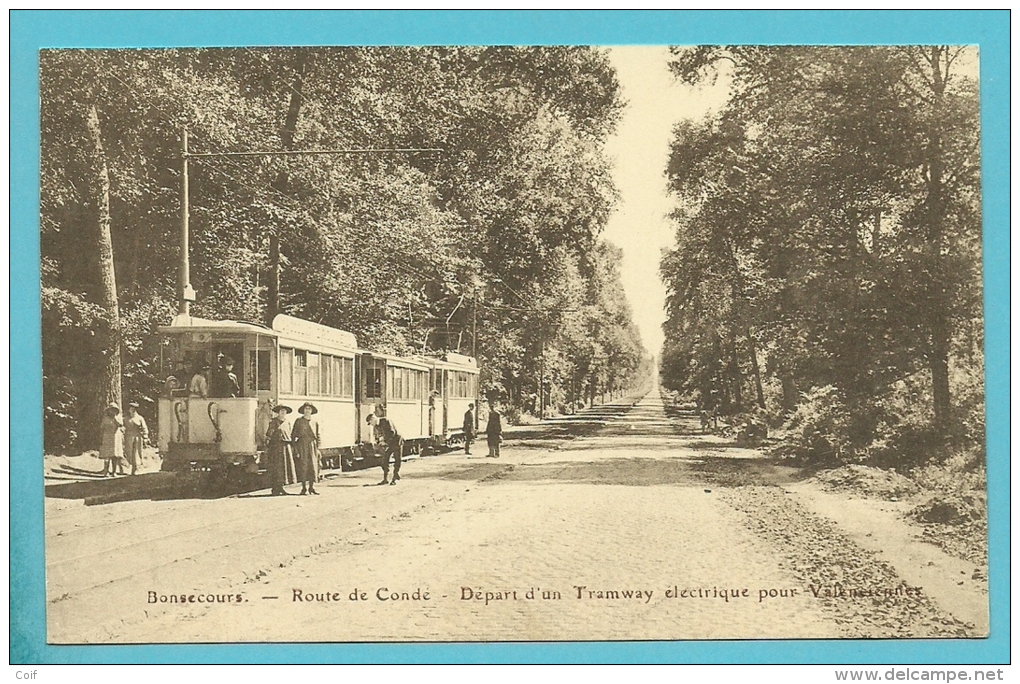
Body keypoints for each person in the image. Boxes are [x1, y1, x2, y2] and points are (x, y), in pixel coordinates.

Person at [366, 412, 403, 485]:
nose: (371, 424)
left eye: (370, 422)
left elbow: (392, 432)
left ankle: (395, 477)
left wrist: (384, 441)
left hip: (396, 441)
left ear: (373, 419)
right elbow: (377, 436)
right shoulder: (376, 426)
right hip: (388, 443)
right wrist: (378, 442)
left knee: (397, 459)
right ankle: (385, 479)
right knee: (384, 461)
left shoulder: (386, 421)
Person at [265, 404, 295, 496]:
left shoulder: (287, 422)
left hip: (286, 446)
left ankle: (281, 487)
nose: (283, 413)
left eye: (284, 411)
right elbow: (269, 434)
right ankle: (275, 489)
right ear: (278, 412)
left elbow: (290, 434)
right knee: (277, 468)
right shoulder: (274, 422)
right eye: (281, 411)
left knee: (285, 468)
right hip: (276, 447)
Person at [292, 402, 320, 495]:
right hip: (302, 445)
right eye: (306, 409)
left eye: (309, 409)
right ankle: (303, 488)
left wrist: (318, 448)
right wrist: (295, 449)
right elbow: (293, 435)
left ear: (312, 411)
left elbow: (318, 435)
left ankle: (311, 487)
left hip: (312, 445)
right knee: (303, 466)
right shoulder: (299, 421)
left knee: (313, 466)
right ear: (303, 410)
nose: (307, 410)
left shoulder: (315, 422)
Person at [99, 403, 125, 477]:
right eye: (111, 410)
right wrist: (101, 438)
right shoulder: (105, 418)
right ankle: (106, 471)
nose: (112, 412)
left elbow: (120, 424)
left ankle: (114, 472)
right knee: (107, 455)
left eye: (114, 410)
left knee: (115, 455)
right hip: (107, 437)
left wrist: (115, 418)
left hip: (116, 437)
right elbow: (102, 428)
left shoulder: (118, 417)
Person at [123, 402, 149, 476]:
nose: (132, 410)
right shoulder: (126, 418)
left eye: (134, 409)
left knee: (136, 452)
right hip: (128, 436)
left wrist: (145, 437)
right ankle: (128, 466)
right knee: (129, 452)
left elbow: (144, 428)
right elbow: (121, 426)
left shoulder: (140, 418)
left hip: (137, 436)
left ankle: (134, 468)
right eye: (131, 409)